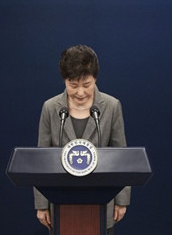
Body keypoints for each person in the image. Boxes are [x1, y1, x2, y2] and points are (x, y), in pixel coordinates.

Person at [34, 45, 130, 234]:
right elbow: (41, 160)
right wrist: (41, 205)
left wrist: (122, 200)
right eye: (73, 85)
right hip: (60, 201)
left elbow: (122, 156)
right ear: (64, 80)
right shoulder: (51, 108)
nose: (80, 92)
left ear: (95, 78)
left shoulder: (111, 106)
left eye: (86, 85)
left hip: (102, 201)